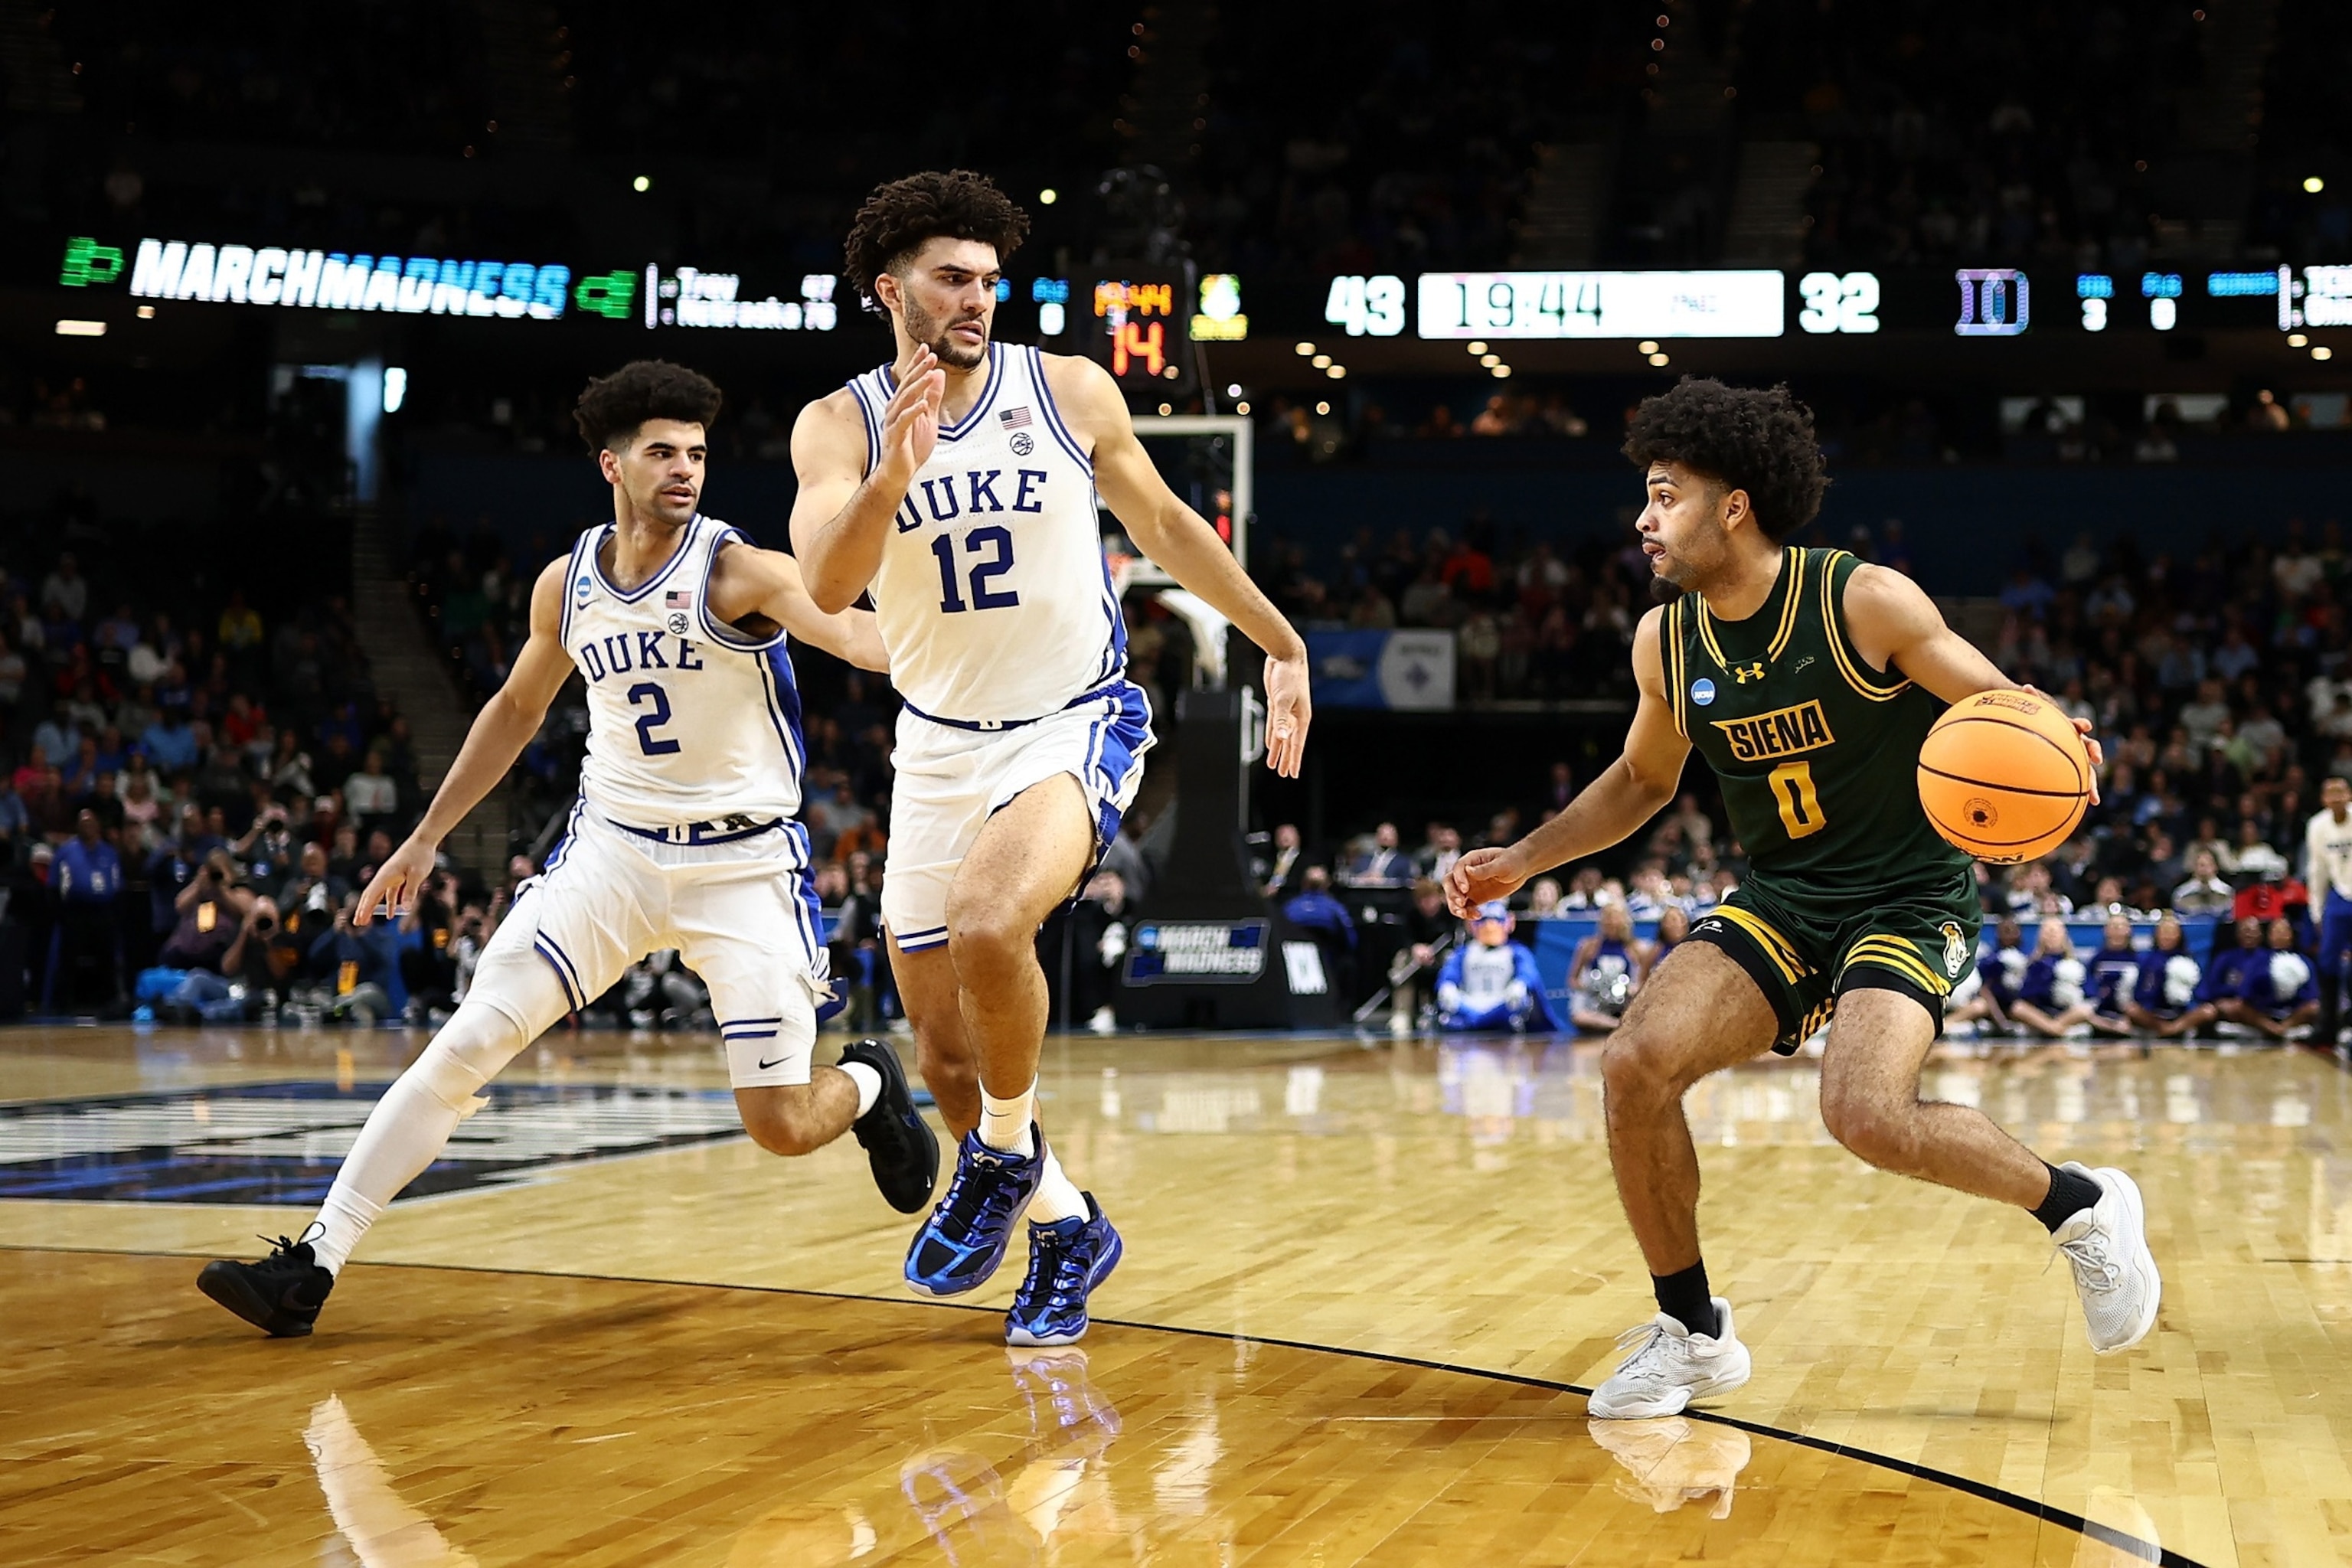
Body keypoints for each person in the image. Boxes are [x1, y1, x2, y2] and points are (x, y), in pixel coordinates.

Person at [1446, 377, 2158, 1421]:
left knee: (1863, 1112)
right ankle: (1692, 1332)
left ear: (1732, 506)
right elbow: (1644, 781)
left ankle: (2080, 1207)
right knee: (1636, 1061)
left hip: (1910, 896)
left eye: (1664, 494)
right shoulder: (1669, 640)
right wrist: (1524, 859)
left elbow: (2001, 707)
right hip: (1784, 899)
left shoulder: (1862, 600)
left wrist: (2062, 741)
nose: (1643, 519)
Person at [198, 360, 939, 1338]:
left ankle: (875, 1079)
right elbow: (514, 708)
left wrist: (957, 641)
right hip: (614, 858)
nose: (685, 469)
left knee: (783, 1125)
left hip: (743, 866)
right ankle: (315, 1259)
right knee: (467, 1041)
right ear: (612, 464)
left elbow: (852, 637)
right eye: (662, 452)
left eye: (698, 454)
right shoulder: (571, 581)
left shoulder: (738, 570)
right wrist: (425, 838)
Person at [789, 171, 1310, 1346]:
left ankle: (1007, 1158)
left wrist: (1280, 641)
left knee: (988, 926)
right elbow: (824, 586)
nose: (977, 299)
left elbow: (1173, 525)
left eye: (988, 279)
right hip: (934, 744)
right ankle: (1068, 1226)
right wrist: (892, 477)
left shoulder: (1066, 388)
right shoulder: (836, 424)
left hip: (1072, 720)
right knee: (944, 1047)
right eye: (950, 279)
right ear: (890, 289)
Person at [1436, 901, 1557, 1031]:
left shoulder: (1516, 951)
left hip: (1503, 1003)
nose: (1490, 925)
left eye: (1497, 920)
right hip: (1470, 1002)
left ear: (1508, 922)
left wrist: (1520, 984)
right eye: (1484, 920)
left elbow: (1528, 972)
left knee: (1521, 1000)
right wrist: (1447, 987)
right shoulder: (1463, 952)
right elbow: (1449, 973)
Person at [2306, 775, 2352, 1045]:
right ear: (2324, 799)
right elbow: (2317, 871)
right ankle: (2328, 1025)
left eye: (2341, 792)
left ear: (2349, 795)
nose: (2336, 797)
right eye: (2330, 793)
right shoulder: (2317, 826)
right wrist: (2316, 911)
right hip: (2338, 895)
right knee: (2327, 959)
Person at [2174, 916, 2265, 1039]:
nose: (2249, 935)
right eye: (2245, 931)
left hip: (2257, 1009)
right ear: (2237, 934)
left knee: (2240, 1008)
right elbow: (2211, 986)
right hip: (2224, 1007)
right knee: (2207, 1011)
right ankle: (2170, 1031)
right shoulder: (2225, 957)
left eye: (2253, 931)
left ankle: (2276, 1031)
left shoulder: (2267, 958)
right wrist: (2227, 997)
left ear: (2261, 935)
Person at [2235, 917, 2319, 1040]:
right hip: (2264, 1013)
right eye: (2276, 931)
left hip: (2293, 1013)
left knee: (2315, 1008)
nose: (2280, 935)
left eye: (2284, 931)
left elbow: (2312, 994)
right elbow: (2245, 993)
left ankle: (2282, 1029)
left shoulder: (2305, 961)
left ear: (2291, 935)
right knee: (2239, 1007)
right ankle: (2271, 1029)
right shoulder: (2258, 960)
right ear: (2269, 936)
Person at [1568, 901, 1645, 1034]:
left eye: (1616, 918)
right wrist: (1590, 987)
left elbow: (1645, 982)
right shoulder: (1588, 946)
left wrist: (1632, 989)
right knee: (1579, 1016)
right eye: (1608, 918)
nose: (1612, 922)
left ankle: (1619, 1022)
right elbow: (1573, 980)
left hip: (1624, 1003)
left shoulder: (1636, 948)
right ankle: (1615, 1024)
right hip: (1595, 1004)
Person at [2123, 913, 2203, 1039]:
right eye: (2164, 932)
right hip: (2153, 1014)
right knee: (2132, 1010)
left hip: (2180, 1014)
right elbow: (2139, 994)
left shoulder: (2188, 961)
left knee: (2208, 1011)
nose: (2167, 936)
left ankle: (2170, 1030)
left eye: (2172, 932)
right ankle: (2167, 1030)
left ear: (2179, 936)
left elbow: (2199, 993)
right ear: (2157, 935)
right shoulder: (2147, 960)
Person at [2084, 911, 2144, 1037]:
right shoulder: (2096, 960)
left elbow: (2143, 992)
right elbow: (2089, 989)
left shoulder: (2138, 960)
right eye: (2113, 926)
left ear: (2129, 931)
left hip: (2128, 1018)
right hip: (2100, 1017)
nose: (2117, 930)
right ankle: (2113, 1029)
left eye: (2121, 926)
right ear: (2106, 931)